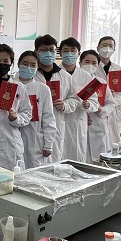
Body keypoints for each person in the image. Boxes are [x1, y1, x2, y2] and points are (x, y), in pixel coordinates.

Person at [0, 44, 32, 170]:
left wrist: (16, 118)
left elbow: (27, 113)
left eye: (6, 61)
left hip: (12, 142)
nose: (2, 64)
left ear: (11, 63)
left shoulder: (19, 87)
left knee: (13, 178)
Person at [34, 34, 77, 162]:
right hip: (32, 125)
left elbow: (74, 98)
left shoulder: (65, 76)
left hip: (57, 123)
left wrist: (65, 105)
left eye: (51, 50)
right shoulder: (29, 75)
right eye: (43, 50)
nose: (48, 53)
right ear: (36, 52)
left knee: (54, 163)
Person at [58, 38, 99, 162]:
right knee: (58, 157)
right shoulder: (55, 74)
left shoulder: (86, 76)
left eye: (73, 50)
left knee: (76, 158)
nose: (69, 54)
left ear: (78, 53)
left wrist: (88, 105)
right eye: (66, 50)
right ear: (60, 53)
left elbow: (95, 102)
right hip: (59, 120)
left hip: (78, 122)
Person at [16, 51, 57, 168]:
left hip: (34, 138)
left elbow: (48, 118)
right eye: (25, 64)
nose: (28, 68)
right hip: (13, 136)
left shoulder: (43, 89)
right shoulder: (10, 86)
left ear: (37, 67)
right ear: (18, 64)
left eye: (33, 65)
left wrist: (48, 144)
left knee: (33, 170)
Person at [80, 50, 117, 163]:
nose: (90, 65)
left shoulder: (101, 82)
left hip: (98, 125)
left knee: (99, 160)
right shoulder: (74, 80)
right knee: (81, 158)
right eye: (87, 62)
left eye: (94, 63)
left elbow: (111, 103)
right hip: (80, 124)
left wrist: (101, 110)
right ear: (80, 63)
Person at [95, 36, 121, 148]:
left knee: (113, 144)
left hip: (114, 111)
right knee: (97, 143)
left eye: (111, 46)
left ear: (114, 49)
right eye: (104, 45)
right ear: (98, 48)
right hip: (97, 109)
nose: (107, 48)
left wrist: (111, 100)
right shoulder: (93, 68)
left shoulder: (119, 69)